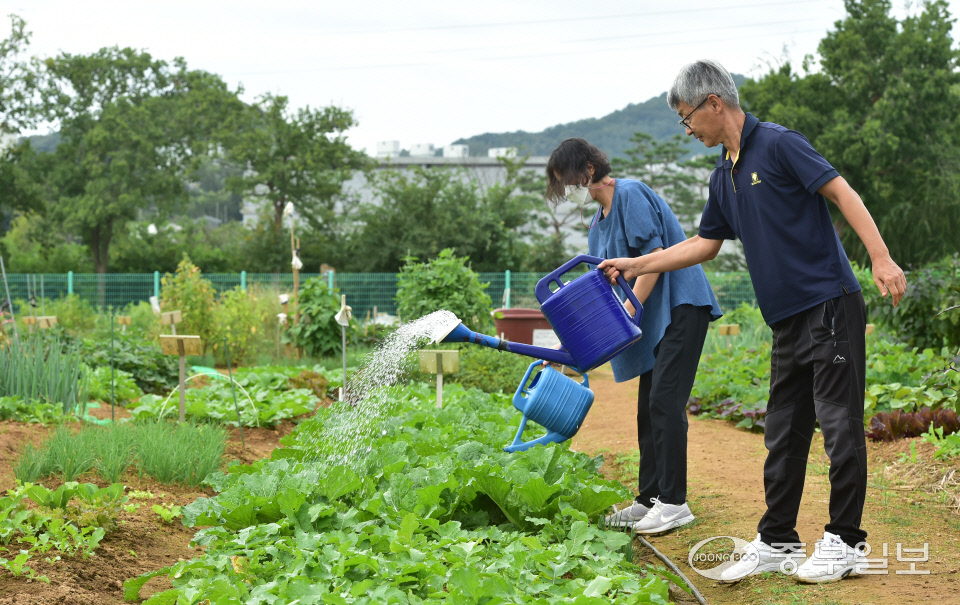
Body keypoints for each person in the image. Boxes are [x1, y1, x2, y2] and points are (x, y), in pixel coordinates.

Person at [598, 60, 907, 583]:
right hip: (785, 320)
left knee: (837, 425)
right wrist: (638, 263)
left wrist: (880, 257)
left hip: (829, 303)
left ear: (714, 103)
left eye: (686, 117)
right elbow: (705, 244)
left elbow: (842, 192)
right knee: (783, 431)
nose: (687, 128)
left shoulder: (780, 145)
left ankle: (847, 541)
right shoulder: (725, 174)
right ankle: (778, 539)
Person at [545, 138, 722, 535]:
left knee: (664, 402)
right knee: (647, 408)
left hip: (679, 307)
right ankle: (649, 500)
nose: (569, 190)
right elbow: (599, 291)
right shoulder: (597, 224)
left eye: (569, 180)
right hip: (649, 319)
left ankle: (675, 503)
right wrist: (564, 346)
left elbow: (654, 259)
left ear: (589, 170)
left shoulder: (631, 194)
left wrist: (628, 311)